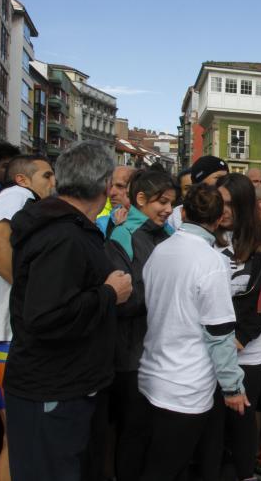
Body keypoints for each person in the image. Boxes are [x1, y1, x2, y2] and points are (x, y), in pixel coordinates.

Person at [2, 142, 133, 481]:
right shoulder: (63, 235)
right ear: (105, 186)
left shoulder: (67, 226)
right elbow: (47, 316)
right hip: (51, 391)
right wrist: (109, 293)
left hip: (66, 387)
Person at [137, 183, 247, 481]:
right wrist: (233, 387)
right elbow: (219, 331)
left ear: (183, 212)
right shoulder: (211, 262)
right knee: (166, 468)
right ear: (218, 218)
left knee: (158, 463)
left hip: (152, 375)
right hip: (185, 387)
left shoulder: (161, 250)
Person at [0, 155, 55, 481]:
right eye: (47, 175)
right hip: (1, 334)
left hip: (0, 333)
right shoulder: (17, 196)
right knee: (20, 435)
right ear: (23, 179)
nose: (53, 182)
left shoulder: (20, 200)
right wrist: (29, 293)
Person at [105, 170, 176, 481]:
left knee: (154, 431)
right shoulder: (122, 236)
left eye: (172, 203)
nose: (169, 210)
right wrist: (170, 293)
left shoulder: (169, 234)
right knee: (133, 431)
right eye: (162, 202)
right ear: (141, 199)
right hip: (131, 354)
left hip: (161, 350)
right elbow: (123, 298)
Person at [215, 173, 261, 481]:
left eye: (230, 204)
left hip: (248, 347)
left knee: (242, 419)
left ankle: (244, 473)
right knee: (212, 420)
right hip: (210, 346)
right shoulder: (204, 234)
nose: (223, 210)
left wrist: (240, 338)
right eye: (219, 202)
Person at [97, 166, 136, 238]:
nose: (111, 193)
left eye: (120, 186)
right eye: (110, 186)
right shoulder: (102, 224)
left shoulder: (155, 222)